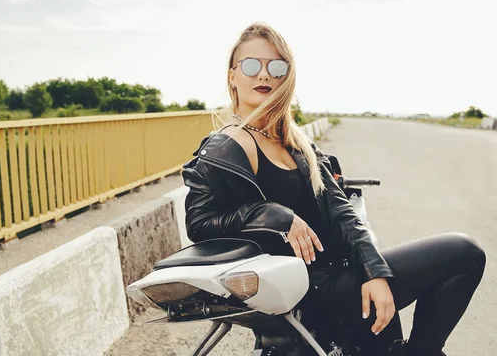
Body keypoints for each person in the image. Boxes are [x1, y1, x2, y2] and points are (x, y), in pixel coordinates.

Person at [180, 22, 486, 356]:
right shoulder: (226, 145)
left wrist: (374, 272)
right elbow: (200, 224)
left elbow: (341, 211)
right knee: (464, 253)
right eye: (251, 65)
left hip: (344, 275)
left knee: (456, 267)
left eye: (277, 67)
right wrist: (272, 215)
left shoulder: (294, 140)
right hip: (308, 286)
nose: (264, 75)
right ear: (232, 76)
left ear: (287, 77)